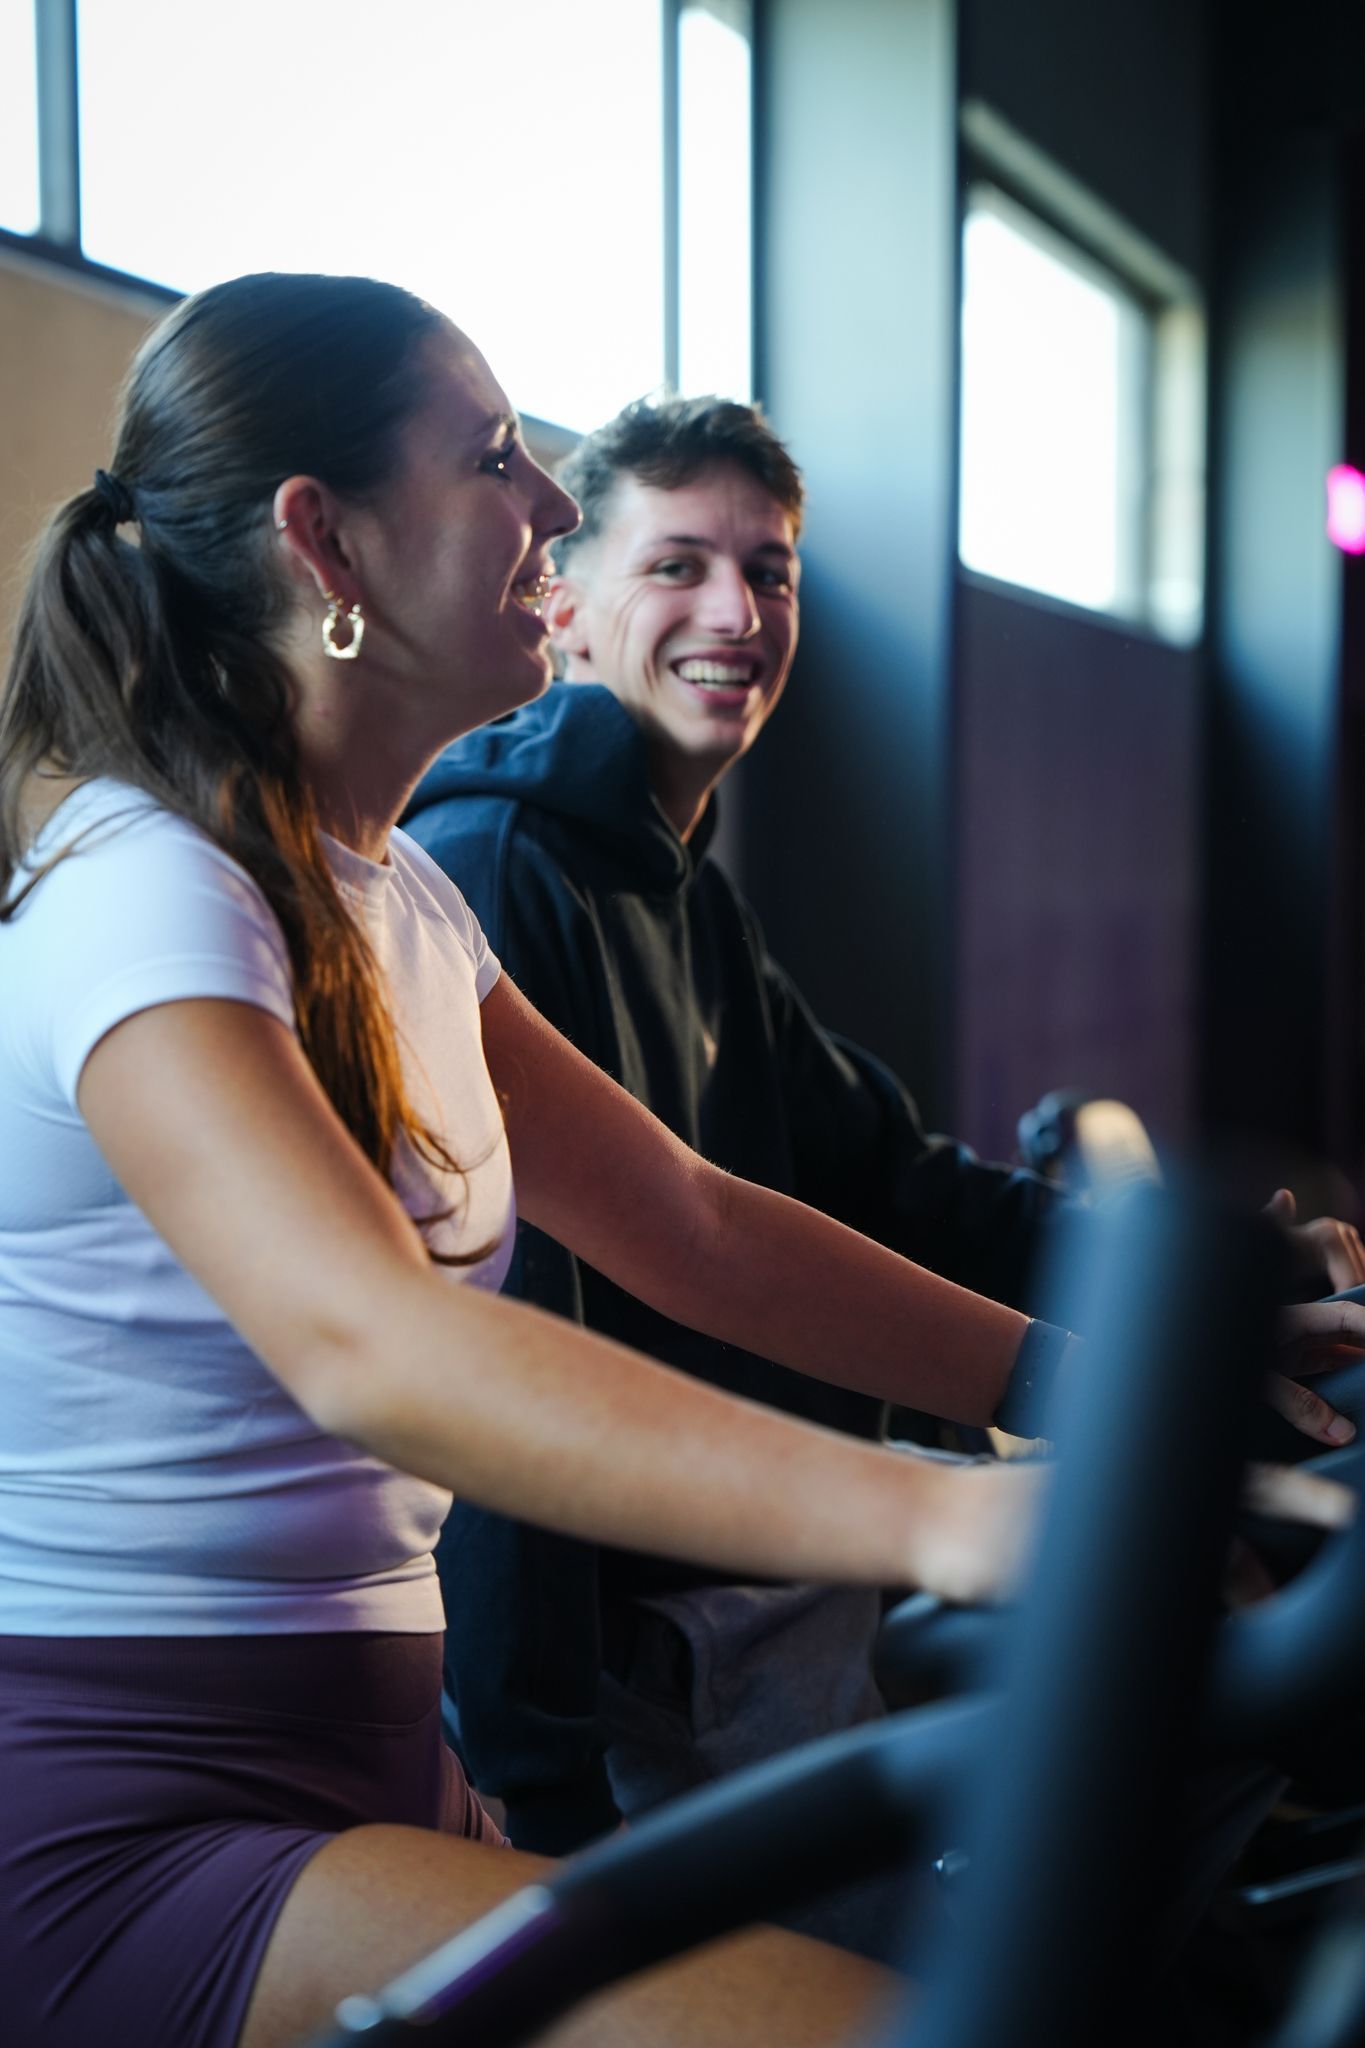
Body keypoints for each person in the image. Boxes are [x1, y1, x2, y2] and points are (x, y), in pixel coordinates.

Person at [0, 270, 1154, 2048]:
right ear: (326, 541)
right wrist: (949, 1513)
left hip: (375, 1761)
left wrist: (1105, 1389)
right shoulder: (144, 893)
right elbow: (374, 1346)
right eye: (489, 461)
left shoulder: (394, 895)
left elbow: (692, 1226)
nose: (549, 502)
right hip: (132, 1807)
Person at [402, 395, 1365, 1951]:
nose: (735, 612)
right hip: (670, 1634)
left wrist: (1197, 1314)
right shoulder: (505, 872)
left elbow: (894, 1178)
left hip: (799, 1549)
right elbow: (521, 1344)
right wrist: (540, 1794)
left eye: (769, 572)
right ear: (564, 607)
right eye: (681, 566)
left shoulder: (673, 877)